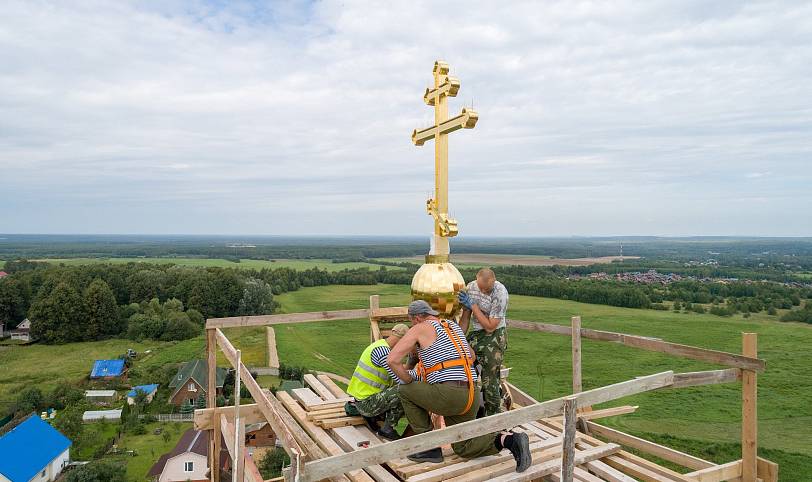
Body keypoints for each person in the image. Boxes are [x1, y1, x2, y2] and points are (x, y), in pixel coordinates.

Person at [387, 300, 530, 472]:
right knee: (464, 446)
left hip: (450, 395)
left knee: (404, 390)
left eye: (411, 321)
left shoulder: (420, 327)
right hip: (471, 394)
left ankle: (428, 447)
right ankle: (510, 440)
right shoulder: (452, 327)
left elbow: (392, 360)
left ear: (417, 318)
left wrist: (409, 381)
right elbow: (471, 355)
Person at [458, 268, 509, 416]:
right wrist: (459, 339)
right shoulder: (471, 288)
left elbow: (490, 327)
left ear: (493, 282)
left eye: (487, 289)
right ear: (476, 279)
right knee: (462, 367)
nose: (484, 291)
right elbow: (466, 318)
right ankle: (470, 409)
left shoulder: (500, 293)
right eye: (481, 288)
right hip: (476, 333)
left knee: (489, 379)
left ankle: (494, 418)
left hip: (495, 335)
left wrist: (473, 305)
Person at [346, 323, 410, 440]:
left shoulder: (378, 346)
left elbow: (398, 372)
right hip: (366, 403)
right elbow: (401, 379)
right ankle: (387, 429)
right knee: (404, 391)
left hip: (363, 398)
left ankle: (378, 418)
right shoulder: (384, 353)